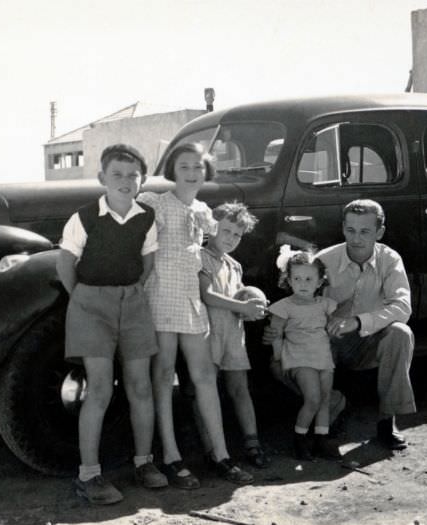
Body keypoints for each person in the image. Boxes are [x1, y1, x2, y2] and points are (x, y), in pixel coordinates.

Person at [137, 143, 254, 488]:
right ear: (173, 169)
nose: (191, 172)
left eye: (198, 167)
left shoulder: (204, 211)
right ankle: (171, 457)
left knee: (203, 375)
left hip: (190, 299)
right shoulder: (157, 203)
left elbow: (210, 245)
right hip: (160, 296)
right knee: (163, 376)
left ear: (206, 173)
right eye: (184, 166)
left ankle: (221, 455)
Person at [57, 143, 167, 505]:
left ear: (142, 180)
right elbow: (64, 266)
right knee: (100, 388)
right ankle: (89, 474)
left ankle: (144, 462)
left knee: (140, 385)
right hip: (90, 305)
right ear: (102, 178)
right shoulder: (85, 217)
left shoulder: (146, 218)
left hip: (133, 303)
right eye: (116, 174)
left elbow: (147, 264)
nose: (125, 181)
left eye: (132, 175)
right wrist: (86, 299)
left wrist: (128, 293)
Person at [270, 199, 416, 451]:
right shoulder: (324, 260)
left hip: (370, 340)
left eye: (365, 232)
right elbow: (300, 298)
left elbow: (403, 307)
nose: (356, 238)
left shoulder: (390, 259)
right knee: (279, 362)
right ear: (343, 228)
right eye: (350, 230)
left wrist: (358, 322)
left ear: (379, 232)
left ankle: (386, 421)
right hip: (326, 341)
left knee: (401, 333)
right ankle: (332, 405)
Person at [197, 202, 270, 468]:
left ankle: (252, 442)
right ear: (212, 228)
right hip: (209, 333)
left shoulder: (235, 265)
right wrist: (241, 306)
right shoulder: (200, 257)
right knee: (206, 390)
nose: (230, 238)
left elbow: (239, 298)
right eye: (226, 231)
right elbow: (206, 294)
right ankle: (211, 449)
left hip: (233, 334)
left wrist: (252, 309)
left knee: (240, 388)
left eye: (237, 235)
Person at [268, 248, 342, 461]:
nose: (303, 284)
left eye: (309, 279)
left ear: (320, 282)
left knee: (325, 399)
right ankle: (299, 440)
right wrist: (278, 358)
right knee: (313, 399)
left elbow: (335, 327)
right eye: (297, 278)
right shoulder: (283, 307)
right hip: (299, 358)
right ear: (288, 280)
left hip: (322, 357)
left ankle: (321, 439)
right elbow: (276, 335)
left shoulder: (325, 305)